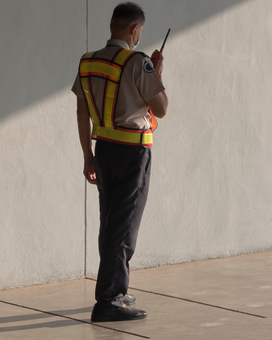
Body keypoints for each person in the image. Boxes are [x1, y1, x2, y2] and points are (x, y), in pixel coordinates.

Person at [71, 2, 168, 322]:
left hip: (104, 152)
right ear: (134, 29)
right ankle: (109, 300)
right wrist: (158, 73)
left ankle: (116, 288)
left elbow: (82, 112)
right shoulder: (139, 62)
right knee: (123, 227)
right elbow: (162, 108)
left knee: (110, 223)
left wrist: (87, 156)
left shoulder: (88, 61)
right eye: (140, 31)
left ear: (113, 25)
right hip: (132, 154)